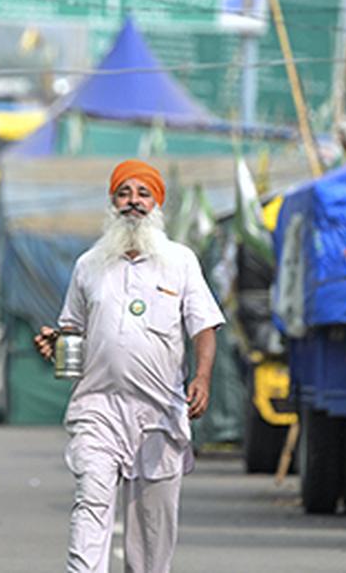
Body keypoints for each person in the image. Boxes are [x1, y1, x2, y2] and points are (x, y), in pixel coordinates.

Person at [34, 159, 225, 573]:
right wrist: (58, 341)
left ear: (157, 203)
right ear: (112, 202)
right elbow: (73, 327)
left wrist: (203, 378)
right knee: (91, 500)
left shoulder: (180, 261)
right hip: (98, 409)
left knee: (152, 534)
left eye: (143, 193)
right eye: (124, 193)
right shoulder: (89, 265)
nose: (133, 202)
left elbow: (205, 328)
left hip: (160, 414)